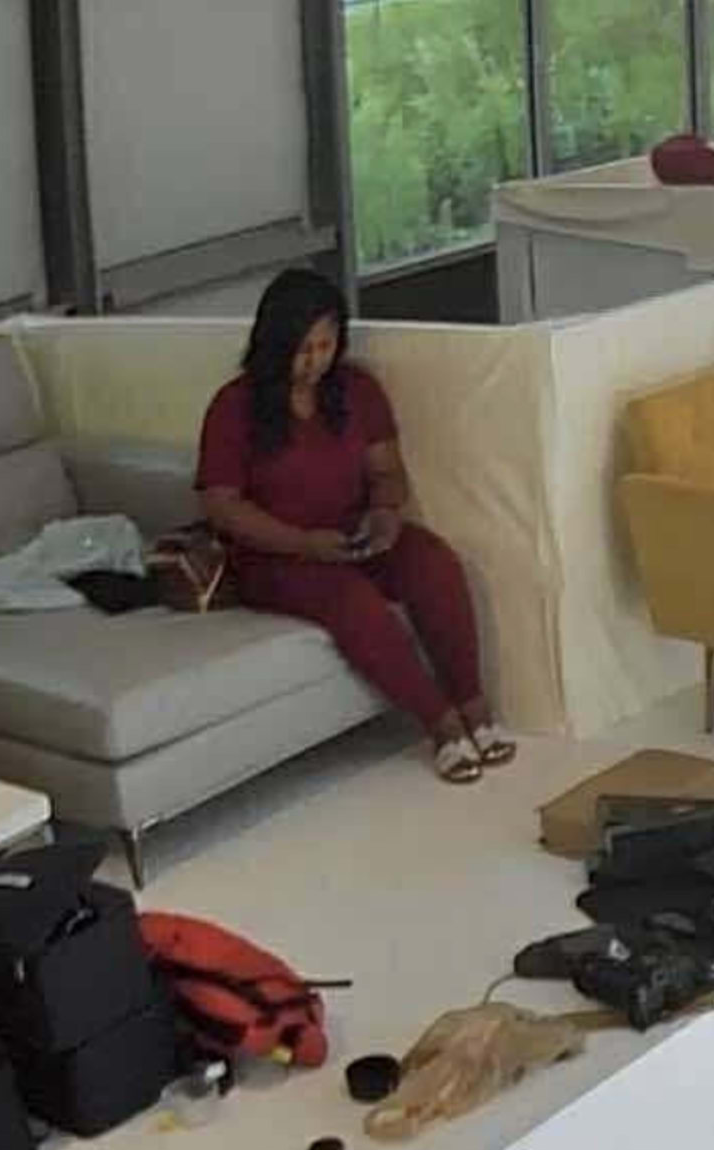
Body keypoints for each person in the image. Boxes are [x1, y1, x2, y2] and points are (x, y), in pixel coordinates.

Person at [199, 268, 509, 785]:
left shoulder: (356, 389)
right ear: (274, 344)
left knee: (432, 562)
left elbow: (387, 471)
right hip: (275, 554)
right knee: (352, 603)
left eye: (325, 346)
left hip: (349, 534)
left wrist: (385, 516)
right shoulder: (234, 407)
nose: (314, 361)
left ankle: (473, 704)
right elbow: (222, 506)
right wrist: (303, 543)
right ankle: (442, 724)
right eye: (302, 349)